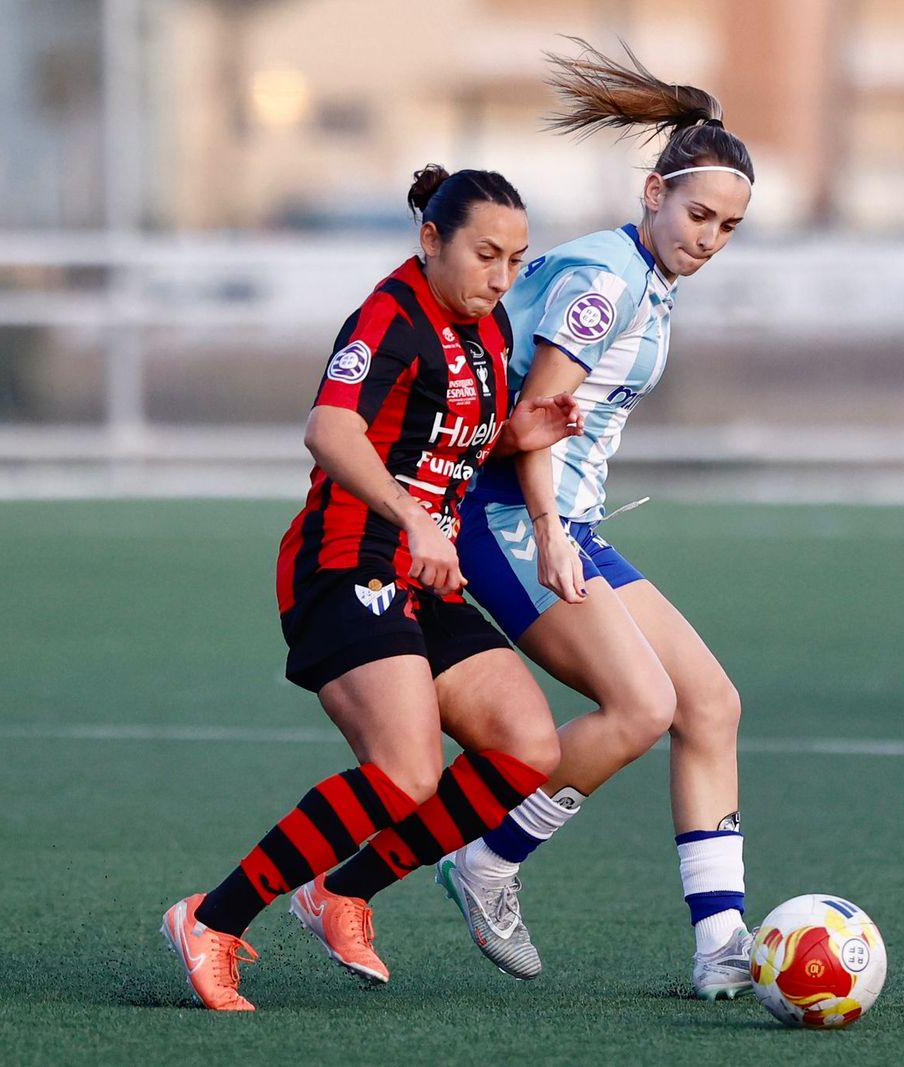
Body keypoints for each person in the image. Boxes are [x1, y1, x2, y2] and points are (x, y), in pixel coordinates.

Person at [160, 166, 585, 1010]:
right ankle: (211, 918)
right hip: (347, 559)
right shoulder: (390, 314)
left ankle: (338, 893)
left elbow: (439, 435)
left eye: (516, 258)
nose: (502, 277)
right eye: (485, 254)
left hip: (423, 577)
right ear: (431, 240)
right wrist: (414, 518)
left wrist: (512, 435)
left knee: (527, 749)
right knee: (406, 770)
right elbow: (331, 427)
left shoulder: (490, 327)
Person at [426, 40, 757, 1000]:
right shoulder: (608, 279)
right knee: (644, 706)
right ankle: (488, 857)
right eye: (698, 215)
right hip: (507, 519)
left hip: (564, 521)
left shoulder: (648, 276)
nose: (709, 239)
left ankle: (722, 944)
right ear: (652, 192)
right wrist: (555, 534)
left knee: (712, 706)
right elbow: (537, 418)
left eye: (729, 228)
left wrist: (573, 526)